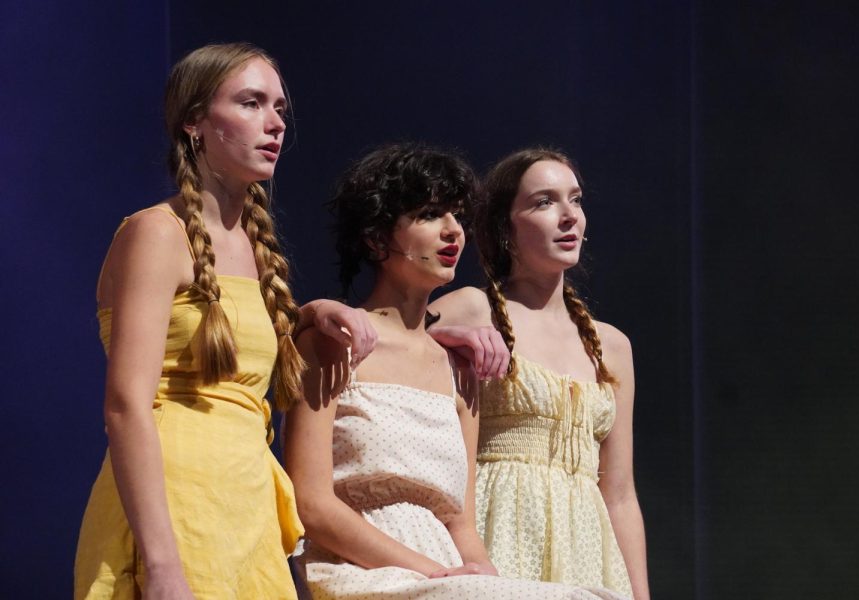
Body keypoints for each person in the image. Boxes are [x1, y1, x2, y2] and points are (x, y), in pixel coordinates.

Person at [74, 43, 376, 599]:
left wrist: (311, 313)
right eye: (251, 103)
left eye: (280, 108)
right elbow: (125, 405)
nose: (274, 124)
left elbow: (235, 338)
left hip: (243, 504)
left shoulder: (252, 246)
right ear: (195, 122)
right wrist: (163, 566)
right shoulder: (156, 233)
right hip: (174, 503)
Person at [284, 143, 625, 600]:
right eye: (429, 215)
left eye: (458, 216)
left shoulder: (457, 367)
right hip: (362, 567)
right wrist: (434, 573)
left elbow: (461, 521)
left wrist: (480, 571)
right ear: (375, 238)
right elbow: (313, 505)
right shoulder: (332, 342)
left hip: (446, 575)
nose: (452, 232)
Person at [428, 148, 650, 599]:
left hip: (590, 552)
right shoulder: (475, 308)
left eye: (576, 199)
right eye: (545, 202)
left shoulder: (612, 346)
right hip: (502, 532)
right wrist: (442, 338)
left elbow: (620, 493)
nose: (569, 216)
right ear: (505, 227)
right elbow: (380, 338)